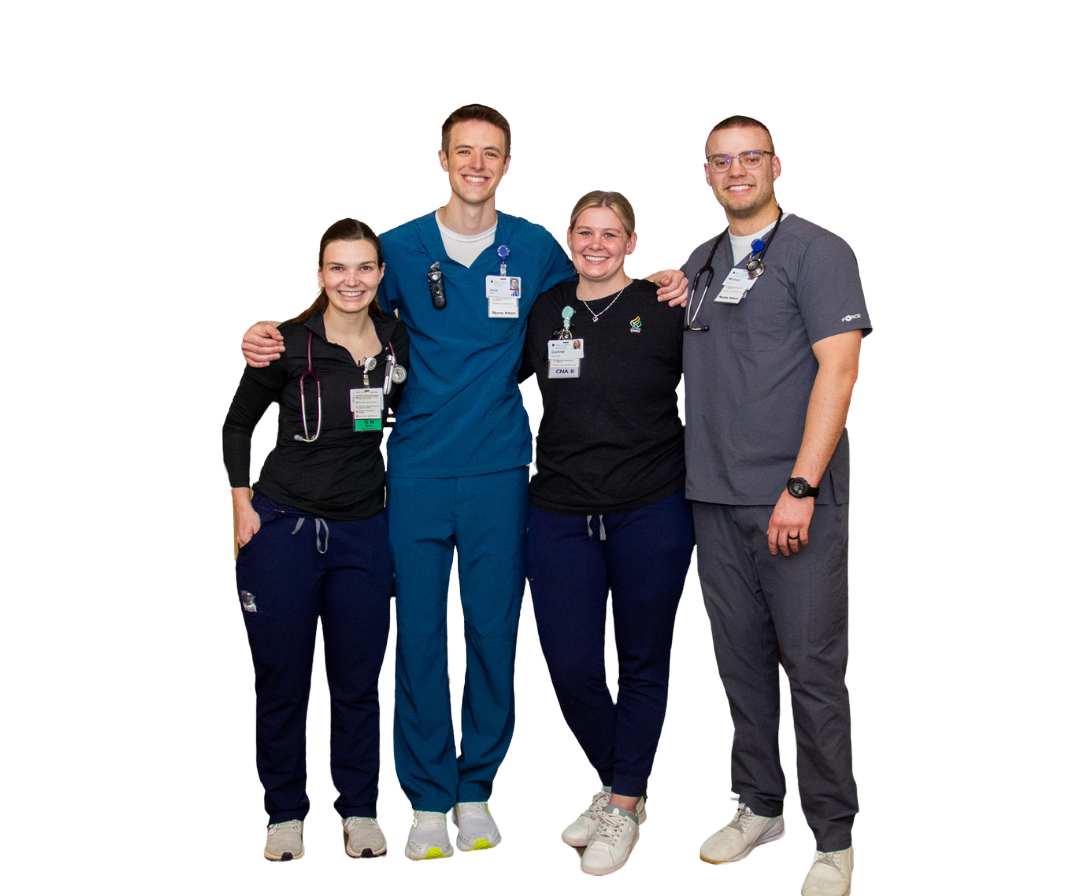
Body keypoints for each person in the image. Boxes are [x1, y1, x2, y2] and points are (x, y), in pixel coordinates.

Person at [240, 104, 689, 861]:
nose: (477, 164)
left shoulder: (535, 247)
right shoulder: (399, 248)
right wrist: (271, 335)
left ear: (506, 164)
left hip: (501, 470)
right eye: (464, 151)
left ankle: (475, 788)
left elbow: (592, 296)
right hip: (415, 469)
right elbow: (345, 310)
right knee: (418, 637)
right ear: (443, 159)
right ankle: (427, 797)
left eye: (491, 152)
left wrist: (661, 283)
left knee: (492, 633)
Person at [681, 116, 870, 896]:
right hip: (712, 499)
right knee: (742, 665)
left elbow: (839, 372)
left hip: (793, 502)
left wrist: (801, 487)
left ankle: (834, 837)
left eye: (749, 158)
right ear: (707, 174)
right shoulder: (700, 263)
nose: (737, 171)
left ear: (775, 166)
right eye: (721, 161)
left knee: (813, 671)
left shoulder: (819, 253)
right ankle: (759, 804)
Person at [222, 218, 409, 863]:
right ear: (321, 273)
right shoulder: (286, 343)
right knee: (282, 682)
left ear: (380, 274)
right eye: (338, 268)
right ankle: (284, 814)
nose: (351, 280)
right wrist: (242, 505)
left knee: (357, 684)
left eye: (364, 267)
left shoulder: (397, 341)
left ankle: (359, 810)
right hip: (283, 532)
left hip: (363, 534)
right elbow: (237, 425)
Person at [521, 191, 694, 876]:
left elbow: (724, 374)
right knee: (571, 667)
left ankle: (620, 803)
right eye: (586, 232)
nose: (597, 245)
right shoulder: (545, 308)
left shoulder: (665, 304)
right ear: (570, 238)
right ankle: (627, 785)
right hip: (560, 511)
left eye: (611, 233)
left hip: (651, 508)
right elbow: (478, 367)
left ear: (631, 242)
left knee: (643, 661)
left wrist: (684, 276)